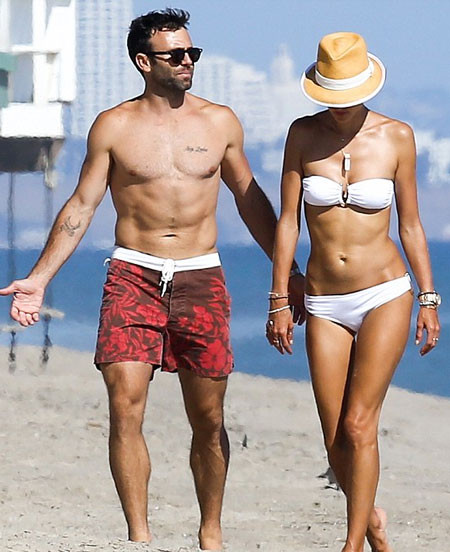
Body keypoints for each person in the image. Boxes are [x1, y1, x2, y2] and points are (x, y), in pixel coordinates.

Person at [0, 8, 304, 552]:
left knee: (207, 417)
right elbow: (82, 205)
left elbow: (250, 199)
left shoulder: (220, 122)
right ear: (144, 62)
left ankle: (211, 532)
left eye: (192, 53)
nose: (188, 62)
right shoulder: (113, 126)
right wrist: (40, 278)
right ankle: (139, 539)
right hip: (132, 274)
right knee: (125, 406)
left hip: (200, 276)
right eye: (176, 54)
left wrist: (289, 275)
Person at [266, 32, 441, 552]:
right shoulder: (301, 134)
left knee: (360, 424)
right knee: (335, 438)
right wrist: (279, 298)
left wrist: (429, 299)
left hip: (385, 291)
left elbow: (410, 225)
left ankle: (352, 544)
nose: (339, 107)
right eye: (331, 96)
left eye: (347, 95)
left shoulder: (397, 137)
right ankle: (373, 525)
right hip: (323, 300)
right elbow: (288, 223)